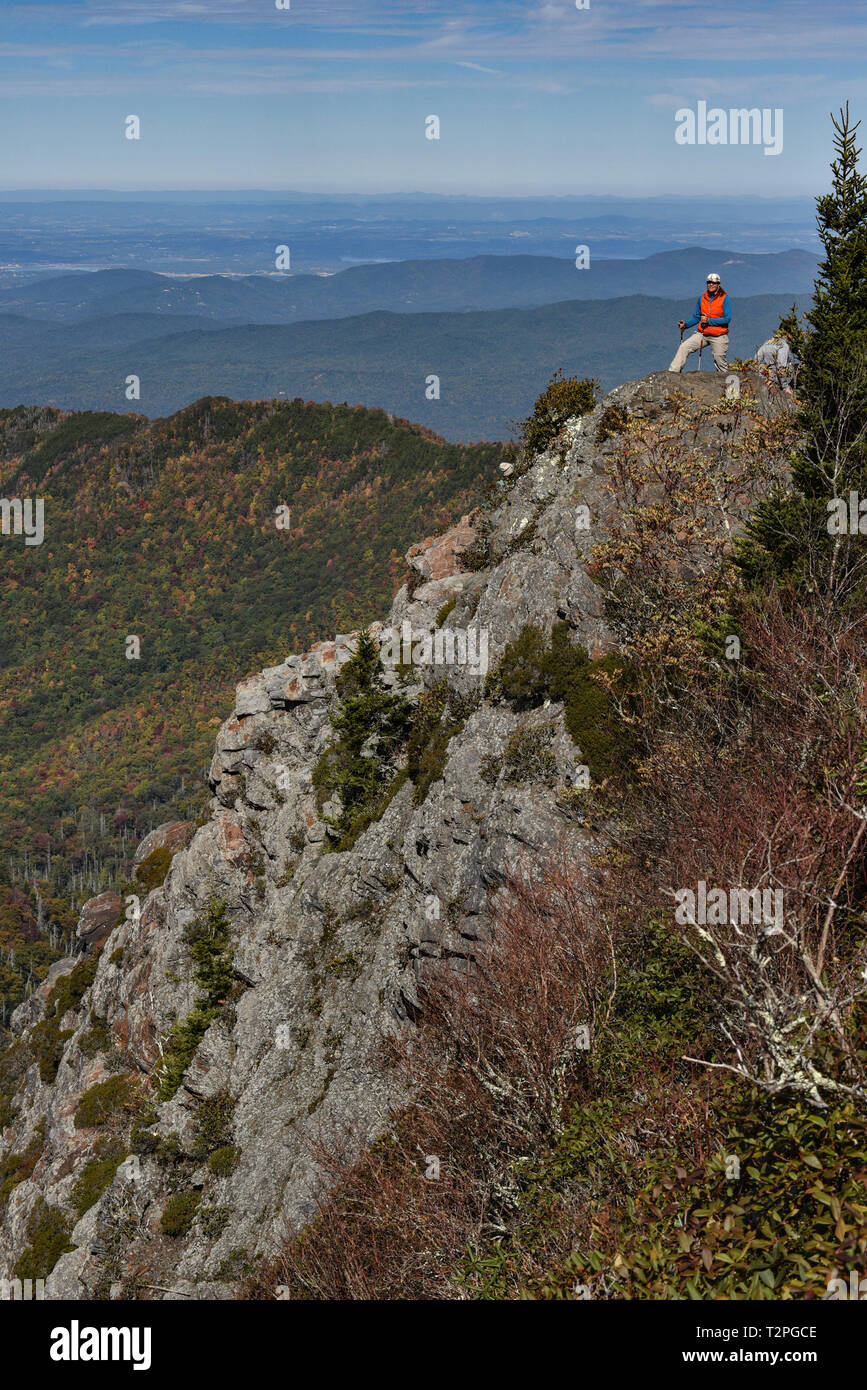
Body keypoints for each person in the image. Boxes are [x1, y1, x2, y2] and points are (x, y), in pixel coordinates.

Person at [669, 272, 731, 373]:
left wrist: (709, 321)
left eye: (714, 283)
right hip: (703, 333)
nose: (711, 284)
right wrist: (685, 325)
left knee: (720, 362)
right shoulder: (702, 298)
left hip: (719, 335)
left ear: (718, 285)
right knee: (684, 347)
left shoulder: (725, 299)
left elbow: (727, 319)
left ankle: (728, 384)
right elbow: (696, 317)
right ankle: (672, 373)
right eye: (709, 282)